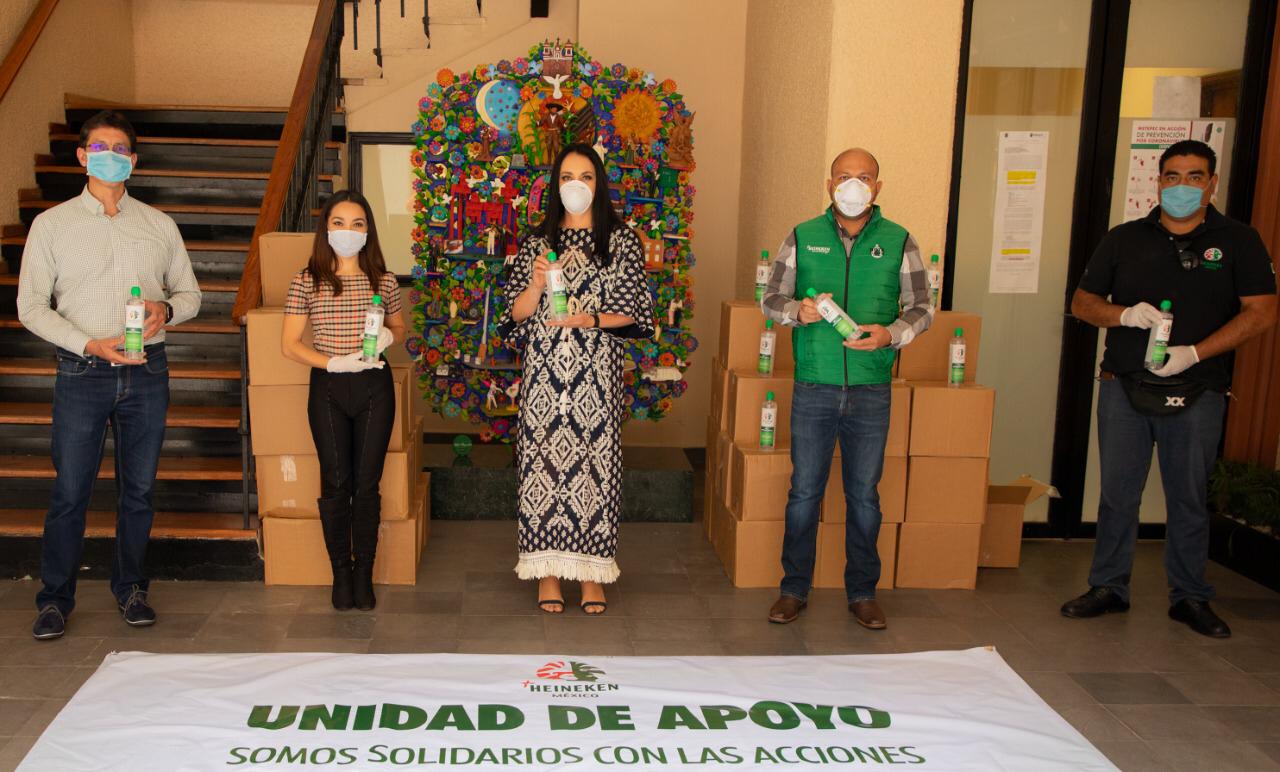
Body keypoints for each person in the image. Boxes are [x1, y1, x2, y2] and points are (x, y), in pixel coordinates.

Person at [1061, 140, 1276, 638]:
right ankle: (1108, 586)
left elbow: (1263, 311)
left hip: (1198, 387)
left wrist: (1195, 352)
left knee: (1187, 497)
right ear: (1158, 182)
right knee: (1118, 495)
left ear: (1212, 183)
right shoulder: (1124, 239)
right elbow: (1082, 302)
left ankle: (1190, 596)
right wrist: (1123, 315)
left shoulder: (1239, 241)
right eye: (1172, 176)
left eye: (1194, 176)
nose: (1182, 186)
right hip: (1124, 386)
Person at [17, 110, 202, 640]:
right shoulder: (51, 225)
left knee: (138, 490)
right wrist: (88, 344)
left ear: (133, 160)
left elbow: (191, 294)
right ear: (82, 156)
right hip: (82, 371)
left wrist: (167, 310)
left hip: (147, 371)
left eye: (121, 149)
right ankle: (55, 600)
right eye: (100, 148)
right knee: (70, 491)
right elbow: (31, 307)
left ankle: (132, 589)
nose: (111, 157)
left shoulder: (158, 225)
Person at [761, 148, 932, 629]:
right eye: (843, 177)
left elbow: (923, 306)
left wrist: (890, 335)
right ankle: (793, 589)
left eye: (863, 177)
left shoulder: (899, 240)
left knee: (863, 496)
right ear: (829, 184)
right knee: (804, 493)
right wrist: (798, 311)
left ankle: (863, 592)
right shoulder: (802, 236)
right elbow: (770, 297)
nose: (852, 186)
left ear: (878, 186)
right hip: (814, 383)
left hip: (871, 387)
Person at [499, 143, 654, 615]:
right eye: (567, 176)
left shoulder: (621, 242)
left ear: (598, 183)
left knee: (595, 469)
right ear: (556, 184)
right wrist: (535, 285)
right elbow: (514, 315)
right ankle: (547, 573)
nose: (576, 185)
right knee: (543, 470)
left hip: (596, 377)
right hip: (544, 378)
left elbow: (634, 312)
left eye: (585, 176)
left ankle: (591, 575)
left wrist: (590, 320)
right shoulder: (536, 242)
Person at [281, 191, 405, 611]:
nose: (347, 231)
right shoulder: (307, 280)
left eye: (357, 224)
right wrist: (333, 363)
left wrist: (389, 336)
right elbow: (289, 344)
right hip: (329, 387)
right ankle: (341, 572)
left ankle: (363, 572)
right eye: (339, 223)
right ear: (326, 229)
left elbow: (400, 329)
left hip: (374, 387)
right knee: (336, 482)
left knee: (367, 483)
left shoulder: (383, 280)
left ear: (368, 231)